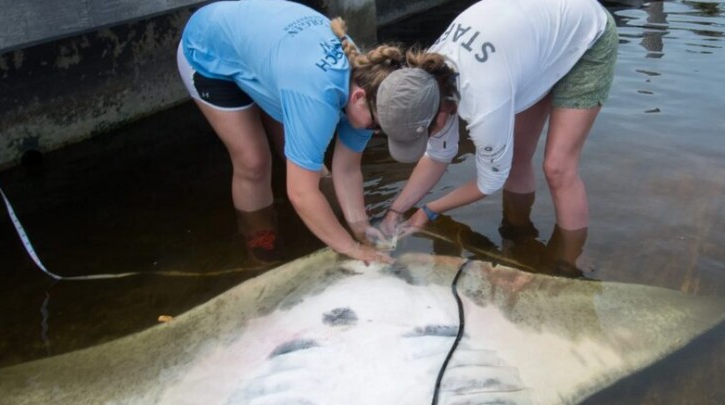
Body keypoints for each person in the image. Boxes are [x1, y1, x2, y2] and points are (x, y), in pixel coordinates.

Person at [376, 0, 618, 273]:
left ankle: (570, 261)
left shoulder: (483, 98)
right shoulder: (424, 80)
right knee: (515, 158)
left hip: (585, 36)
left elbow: (490, 181)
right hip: (533, 46)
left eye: (427, 132)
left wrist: (429, 210)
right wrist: (395, 211)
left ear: (439, 113)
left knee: (558, 168)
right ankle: (518, 236)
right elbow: (438, 153)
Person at [177, 0, 397, 264]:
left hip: (271, 53)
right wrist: (351, 249)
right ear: (359, 97)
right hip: (209, 50)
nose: (374, 134)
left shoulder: (371, 86)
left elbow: (348, 169)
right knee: (254, 162)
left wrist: (362, 229)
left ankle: (339, 219)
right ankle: (260, 239)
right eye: (375, 127)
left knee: (307, 160)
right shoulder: (317, 97)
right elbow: (300, 193)